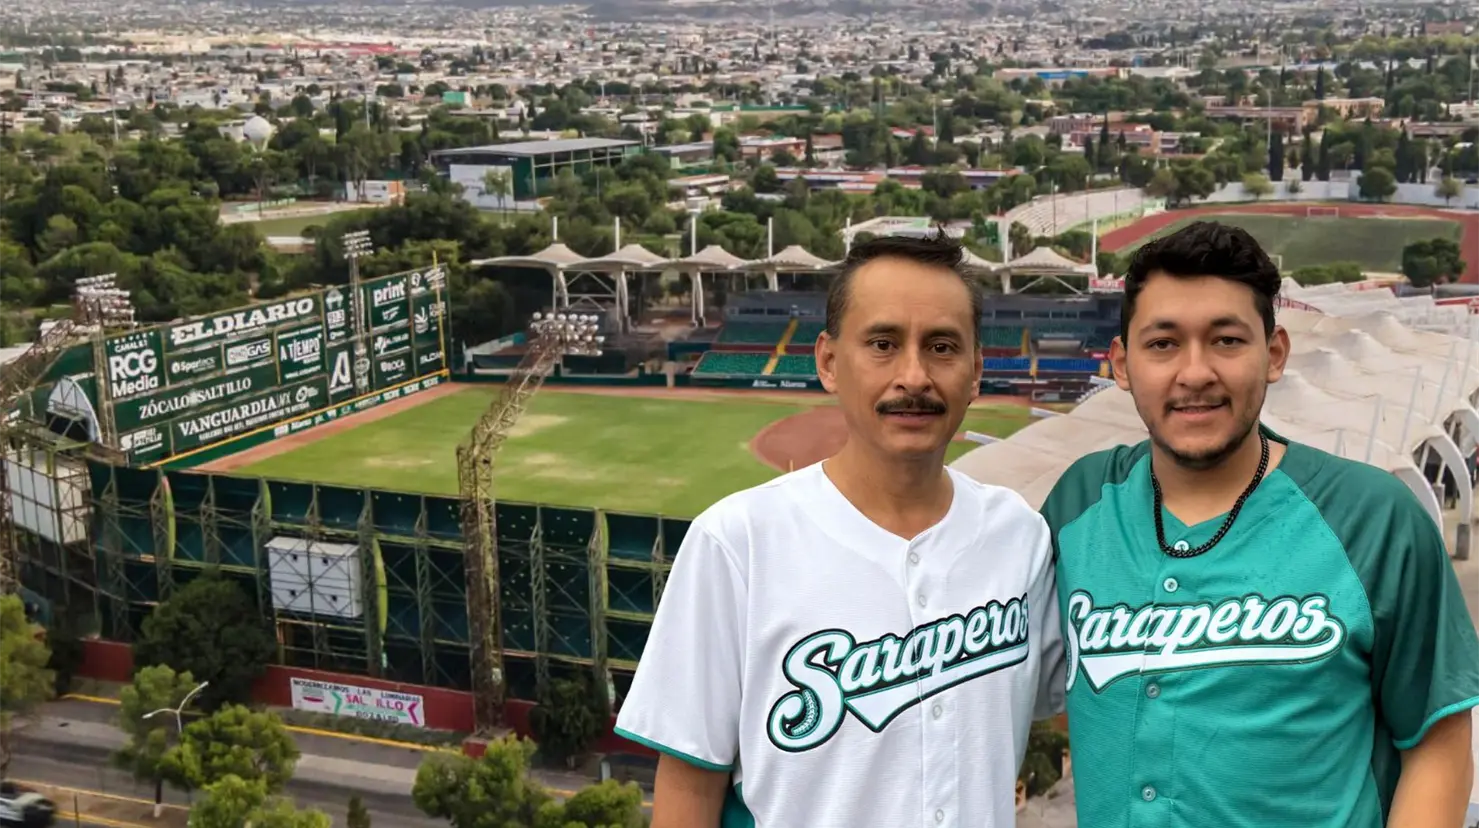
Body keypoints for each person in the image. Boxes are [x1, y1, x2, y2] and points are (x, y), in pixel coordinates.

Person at [614, 234, 1066, 828]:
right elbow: (688, 795)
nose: (914, 375)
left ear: (976, 371)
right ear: (828, 361)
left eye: (942, 347)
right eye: (883, 343)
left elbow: (1061, 709)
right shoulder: (736, 542)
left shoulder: (1021, 539)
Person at [1040, 221, 1479, 827]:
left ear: (1273, 355)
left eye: (1226, 340)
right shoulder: (1080, 502)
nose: (1194, 373)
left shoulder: (1373, 519)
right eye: (1162, 344)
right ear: (1121, 364)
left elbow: (1438, 737)